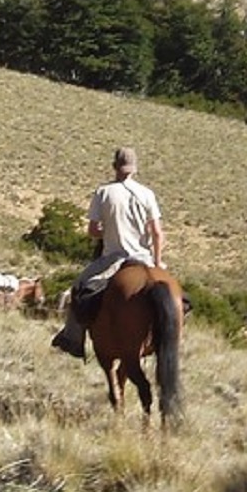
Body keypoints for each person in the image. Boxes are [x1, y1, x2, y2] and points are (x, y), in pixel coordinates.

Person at [51, 146, 165, 358]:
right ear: (135, 169)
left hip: (114, 258)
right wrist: (157, 262)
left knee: (79, 288)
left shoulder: (103, 192)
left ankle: (72, 338)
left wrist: (110, 229)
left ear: (114, 166)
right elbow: (157, 233)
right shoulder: (147, 194)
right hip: (144, 258)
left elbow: (93, 231)